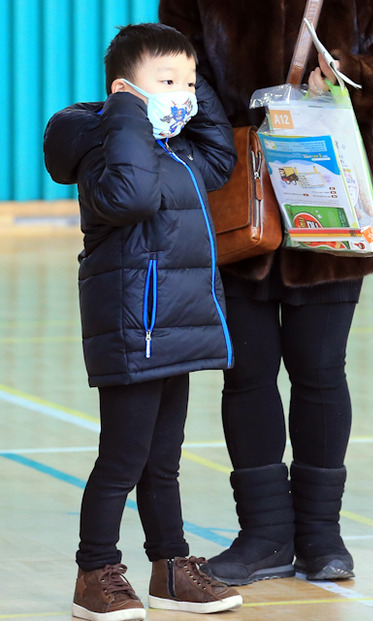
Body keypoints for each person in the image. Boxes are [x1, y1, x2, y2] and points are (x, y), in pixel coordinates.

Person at [158, 0, 373, 585]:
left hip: (332, 195)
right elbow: (169, 68)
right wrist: (232, 124)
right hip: (236, 197)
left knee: (321, 368)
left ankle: (322, 534)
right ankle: (264, 534)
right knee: (247, 372)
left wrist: (348, 75)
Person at [43, 22, 243, 621]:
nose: (182, 91)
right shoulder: (108, 148)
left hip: (174, 325)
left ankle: (171, 569)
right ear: (127, 90)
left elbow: (221, 156)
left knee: (164, 459)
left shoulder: (181, 150)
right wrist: (128, 112)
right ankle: (95, 571)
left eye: (189, 80)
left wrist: (193, 86)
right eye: (168, 81)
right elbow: (129, 198)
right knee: (122, 459)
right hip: (133, 326)